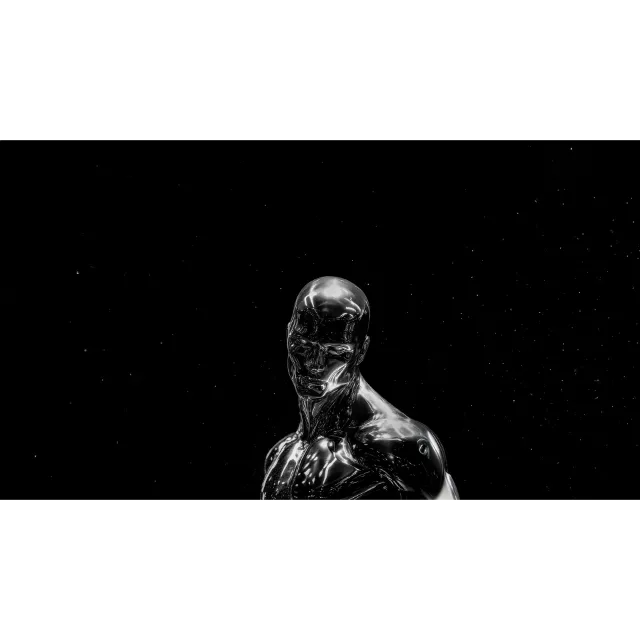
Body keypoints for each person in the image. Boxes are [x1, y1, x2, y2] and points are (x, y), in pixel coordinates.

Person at [260, 276, 461, 503]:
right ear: (288, 333)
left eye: (336, 352)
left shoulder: (398, 443)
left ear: (361, 351)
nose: (314, 364)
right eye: (302, 346)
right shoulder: (282, 451)